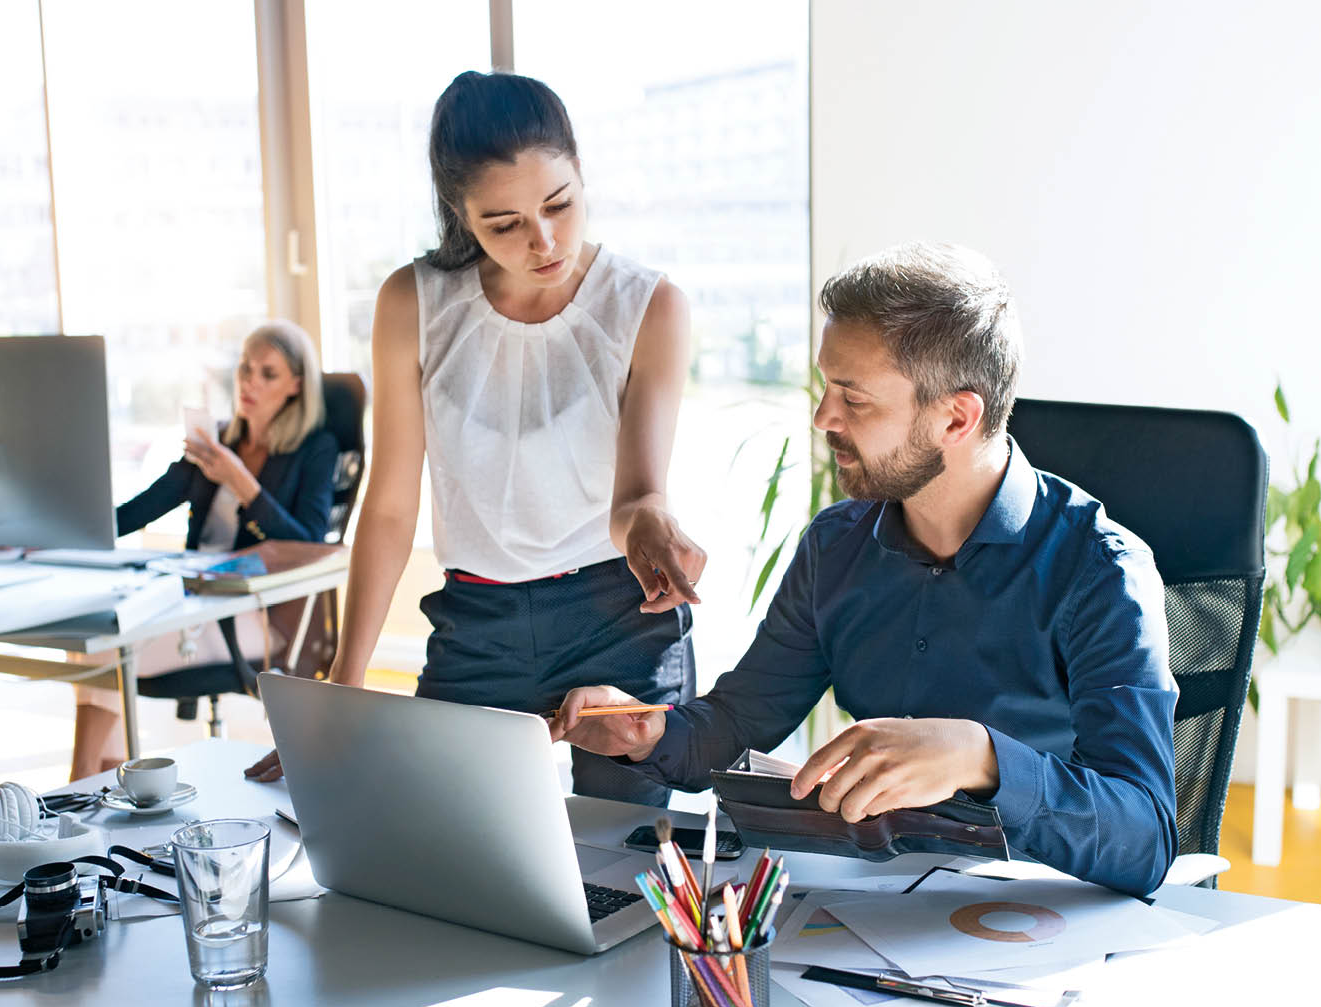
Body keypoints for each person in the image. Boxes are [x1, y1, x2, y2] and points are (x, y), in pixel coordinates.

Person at [550, 242, 1178, 897]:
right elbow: (736, 725)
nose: (824, 417)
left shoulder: (1100, 571)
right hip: (866, 906)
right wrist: (651, 733)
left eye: (855, 398)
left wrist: (980, 756)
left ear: (956, 418)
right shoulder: (836, 548)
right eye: (827, 387)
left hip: (1031, 916)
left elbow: (1146, 836)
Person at [245, 71, 705, 804]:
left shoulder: (648, 304)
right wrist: (343, 686)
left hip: (618, 618)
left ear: (580, 169)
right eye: (504, 223)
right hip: (476, 624)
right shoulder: (415, 302)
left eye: (559, 204)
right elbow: (391, 509)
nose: (544, 239)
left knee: (627, 870)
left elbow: (636, 495)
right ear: (459, 214)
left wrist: (653, 526)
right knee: (443, 851)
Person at [70, 320, 337, 780]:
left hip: (255, 612)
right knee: (94, 635)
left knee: (104, 646)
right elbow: (138, 511)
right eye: (245, 368)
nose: (249, 381)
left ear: (296, 385)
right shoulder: (217, 441)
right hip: (194, 598)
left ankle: (83, 779)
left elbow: (307, 543)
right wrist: (62, 531)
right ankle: (103, 776)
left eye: (267, 373)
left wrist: (240, 481)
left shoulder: (315, 449)